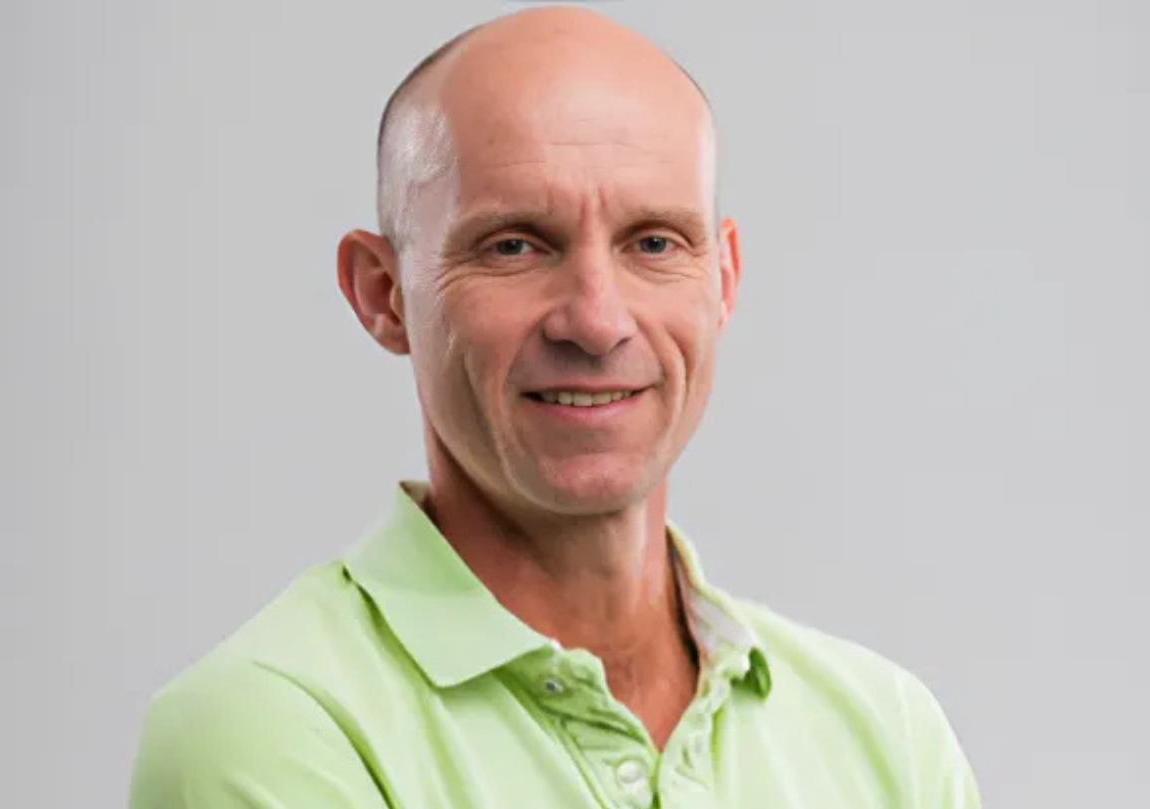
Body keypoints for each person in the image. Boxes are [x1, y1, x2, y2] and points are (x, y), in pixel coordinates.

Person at [128, 7, 981, 808]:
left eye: (654, 242)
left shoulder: (886, 734)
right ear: (383, 294)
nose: (597, 321)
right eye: (515, 246)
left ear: (722, 280)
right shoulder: (270, 723)